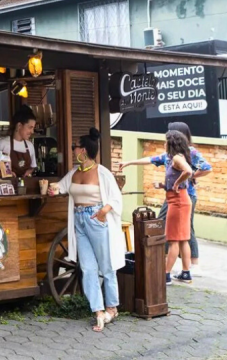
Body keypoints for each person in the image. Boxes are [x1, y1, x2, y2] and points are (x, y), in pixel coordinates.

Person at [53, 128, 125, 332]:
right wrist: (52, 188)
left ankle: (112, 307)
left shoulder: (102, 172)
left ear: (83, 150)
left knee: (106, 264)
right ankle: (98, 310)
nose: (73, 149)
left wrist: (103, 212)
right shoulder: (74, 173)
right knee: (87, 267)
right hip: (79, 220)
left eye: (75, 146)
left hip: (96, 219)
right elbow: (60, 187)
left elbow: (116, 198)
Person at [118, 122, 211, 273]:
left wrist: (188, 177)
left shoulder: (188, 152)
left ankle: (178, 265)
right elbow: (150, 159)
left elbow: (206, 168)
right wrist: (129, 163)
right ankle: (183, 267)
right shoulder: (169, 156)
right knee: (179, 230)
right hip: (175, 196)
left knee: (176, 230)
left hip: (184, 195)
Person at [159, 130, 194, 285]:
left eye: (166, 141)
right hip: (182, 199)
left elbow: (188, 172)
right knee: (183, 239)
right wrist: (164, 185)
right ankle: (186, 273)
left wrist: (176, 183)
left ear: (171, 143)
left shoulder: (176, 158)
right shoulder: (180, 157)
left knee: (173, 239)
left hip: (177, 202)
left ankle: (166, 275)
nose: (164, 144)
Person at [0, 105, 37, 178]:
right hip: (5, 186)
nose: (32, 131)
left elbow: (32, 167)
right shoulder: (2, 144)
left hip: (24, 186)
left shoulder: (30, 146)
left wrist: (28, 172)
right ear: (19, 125)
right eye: (30, 127)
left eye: (33, 128)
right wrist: (4, 172)